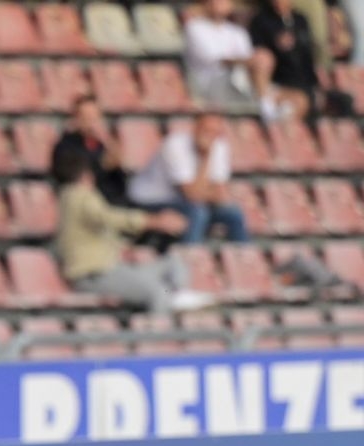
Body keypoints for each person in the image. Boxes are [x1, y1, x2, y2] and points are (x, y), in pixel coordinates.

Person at [53, 146, 204, 314]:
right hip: (94, 274)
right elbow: (109, 218)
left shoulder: (71, 198)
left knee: (172, 264)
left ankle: (175, 298)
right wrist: (154, 221)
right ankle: (160, 325)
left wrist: (124, 247)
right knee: (158, 292)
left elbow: (101, 231)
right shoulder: (78, 195)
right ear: (86, 174)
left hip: (109, 269)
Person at [127, 114, 250, 244]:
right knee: (197, 212)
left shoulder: (219, 146)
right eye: (206, 130)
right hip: (150, 201)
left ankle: (244, 253)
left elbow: (221, 196)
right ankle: (190, 254)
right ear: (195, 128)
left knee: (233, 214)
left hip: (185, 203)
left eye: (215, 132)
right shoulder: (174, 145)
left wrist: (202, 190)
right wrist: (206, 158)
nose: (209, 136)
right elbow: (192, 196)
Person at [185, 0, 277, 113]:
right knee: (261, 59)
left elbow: (247, 59)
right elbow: (212, 59)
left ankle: (265, 105)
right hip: (210, 83)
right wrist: (249, 60)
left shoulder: (238, 31)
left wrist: (253, 60)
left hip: (239, 78)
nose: (220, 3)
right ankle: (265, 108)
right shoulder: (194, 27)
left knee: (293, 97)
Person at [52, 95, 131, 208]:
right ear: (76, 119)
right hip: (87, 205)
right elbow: (75, 179)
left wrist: (107, 141)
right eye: (86, 117)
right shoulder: (65, 146)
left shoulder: (104, 143)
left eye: (95, 117)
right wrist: (102, 165)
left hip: (114, 201)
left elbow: (120, 170)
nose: (91, 122)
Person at [249, 0, 323, 117]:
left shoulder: (300, 20)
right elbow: (259, 53)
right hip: (280, 80)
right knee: (299, 102)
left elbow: (307, 55)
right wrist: (276, 44)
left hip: (305, 80)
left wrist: (315, 83)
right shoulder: (261, 21)